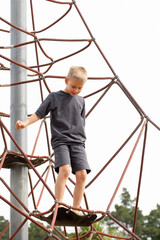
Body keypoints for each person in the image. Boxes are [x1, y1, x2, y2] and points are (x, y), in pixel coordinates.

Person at [15, 66, 91, 212]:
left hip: (78, 142)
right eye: (73, 86)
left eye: (80, 88)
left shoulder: (81, 101)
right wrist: (25, 123)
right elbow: (39, 113)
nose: (76, 90)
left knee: (82, 175)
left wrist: (82, 144)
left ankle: (75, 209)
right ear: (66, 80)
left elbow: (81, 123)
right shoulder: (54, 97)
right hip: (61, 140)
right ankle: (59, 205)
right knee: (65, 171)